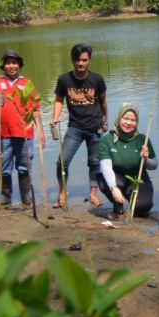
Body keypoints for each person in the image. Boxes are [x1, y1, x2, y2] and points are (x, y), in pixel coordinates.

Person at [0, 49, 43, 207]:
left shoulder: (27, 83)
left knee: (25, 166)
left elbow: (35, 108)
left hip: (24, 133)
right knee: (4, 166)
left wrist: (41, 132)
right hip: (2, 134)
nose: (11, 66)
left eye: (14, 62)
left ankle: (26, 198)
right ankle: (5, 197)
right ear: (2, 65)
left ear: (19, 65)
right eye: (8, 62)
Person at [52, 43, 108, 208]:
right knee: (62, 162)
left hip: (95, 126)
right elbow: (58, 100)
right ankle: (63, 192)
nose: (81, 64)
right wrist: (55, 117)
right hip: (74, 128)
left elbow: (103, 101)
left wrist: (105, 120)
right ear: (72, 60)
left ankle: (93, 195)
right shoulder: (64, 79)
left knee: (94, 161)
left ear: (89, 60)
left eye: (84, 60)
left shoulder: (97, 79)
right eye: (77, 60)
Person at [97, 102, 157, 220]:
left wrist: (145, 160)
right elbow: (106, 166)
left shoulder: (142, 139)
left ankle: (132, 201)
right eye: (126, 119)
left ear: (137, 122)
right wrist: (113, 187)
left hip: (138, 179)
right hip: (118, 179)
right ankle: (117, 207)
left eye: (133, 120)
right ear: (119, 118)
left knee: (144, 208)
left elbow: (154, 165)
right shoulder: (107, 140)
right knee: (103, 178)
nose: (129, 123)